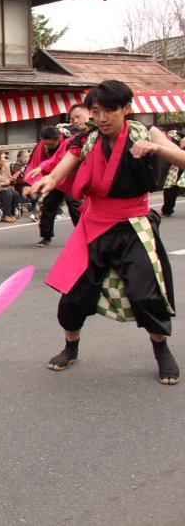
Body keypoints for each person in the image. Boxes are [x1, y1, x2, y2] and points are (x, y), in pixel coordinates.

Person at [32, 80, 185, 386]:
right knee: (74, 294)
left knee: (146, 293)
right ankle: (70, 347)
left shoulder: (146, 133)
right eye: (96, 111)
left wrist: (156, 147)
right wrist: (50, 180)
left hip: (134, 225)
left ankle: (161, 350)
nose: (101, 118)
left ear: (126, 109)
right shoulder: (88, 139)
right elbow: (67, 163)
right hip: (94, 225)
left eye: (109, 111)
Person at [25, 105, 90, 247]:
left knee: (75, 205)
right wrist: (40, 169)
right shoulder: (75, 139)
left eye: (78, 117)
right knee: (48, 204)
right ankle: (46, 236)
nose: (75, 121)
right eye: (72, 118)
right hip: (56, 178)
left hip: (73, 178)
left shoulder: (74, 137)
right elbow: (54, 159)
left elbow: (60, 157)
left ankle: (85, 235)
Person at [161, 130, 185, 217]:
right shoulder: (172, 135)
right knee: (170, 187)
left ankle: (167, 210)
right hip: (176, 165)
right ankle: (167, 210)